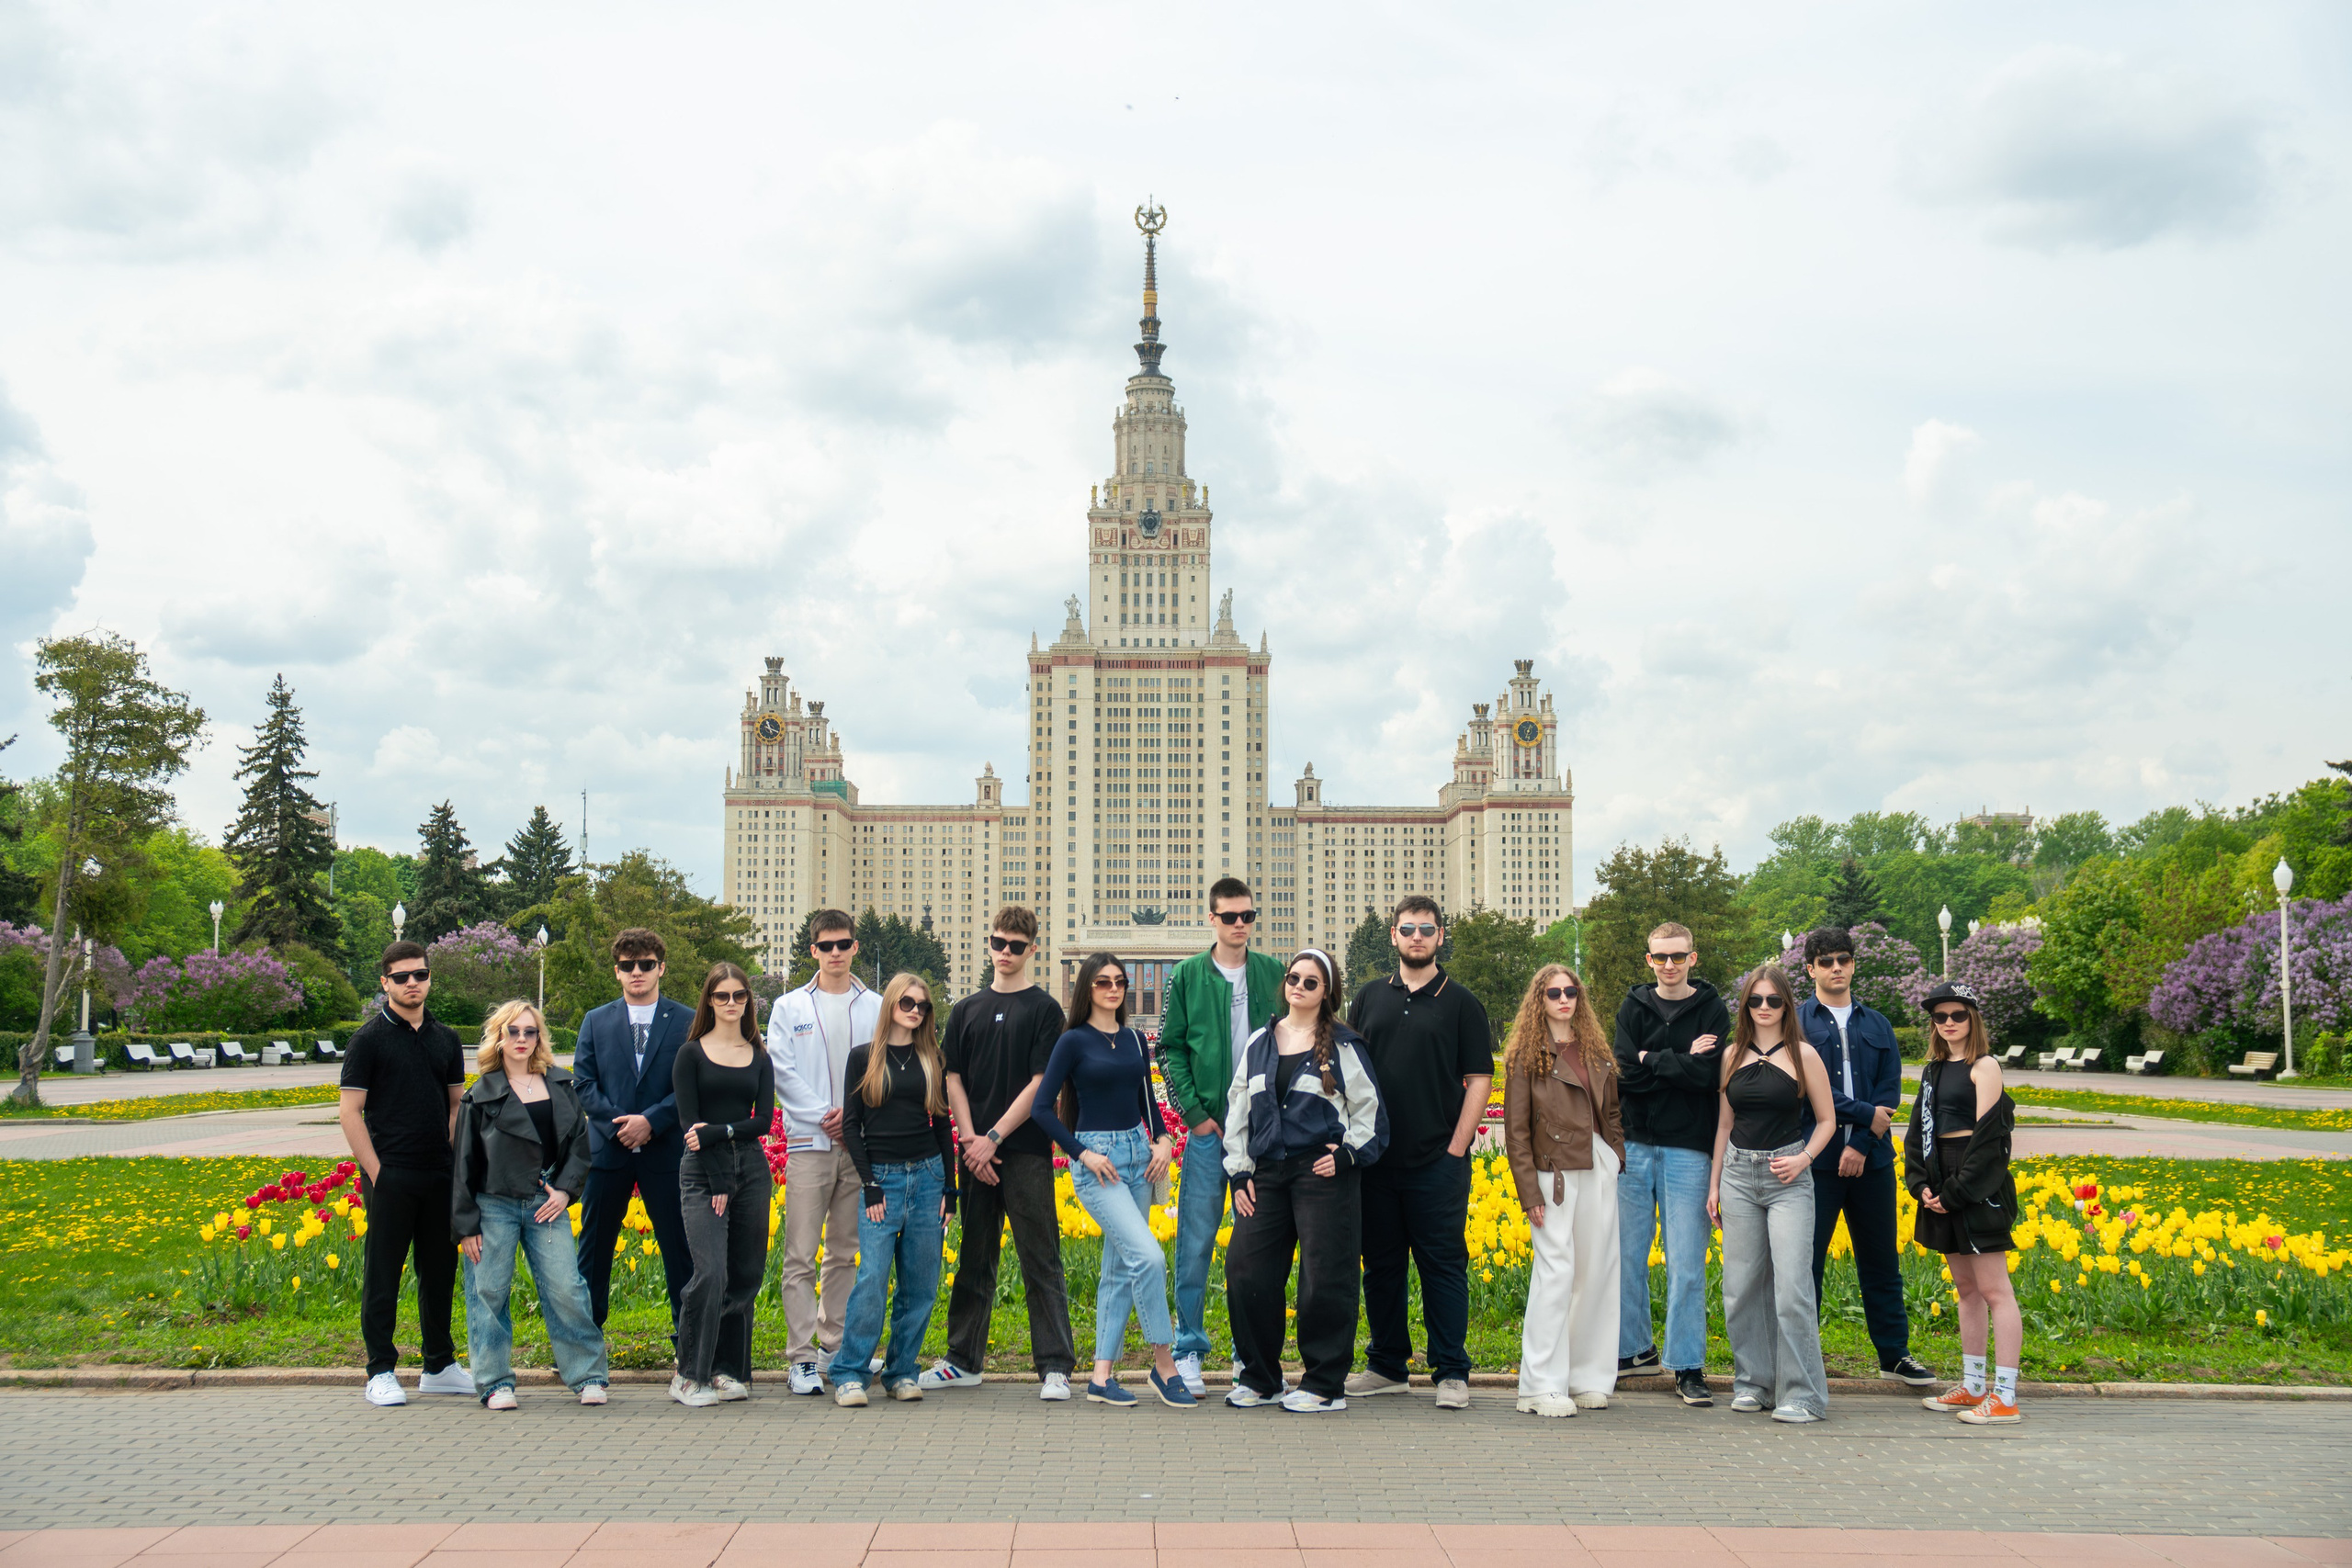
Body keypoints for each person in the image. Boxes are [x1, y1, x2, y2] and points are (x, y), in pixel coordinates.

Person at [1224, 947, 1387, 1413]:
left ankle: (1324, 1384)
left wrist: (1348, 1155)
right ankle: (1261, 1378)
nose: (1298, 986)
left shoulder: (1344, 1046)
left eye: (1310, 982)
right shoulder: (1261, 1042)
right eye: (1293, 978)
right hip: (1266, 1172)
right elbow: (1239, 1108)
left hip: (1322, 1173)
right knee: (1245, 1270)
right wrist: (1239, 1172)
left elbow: (1371, 1112)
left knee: (1324, 1278)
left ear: (1326, 992)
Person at [1344, 897, 1491, 1411]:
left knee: (1442, 1266)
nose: (1417, 937)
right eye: (1408, 929)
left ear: (1440, 936)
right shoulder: (1368, 997)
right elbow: (1349, 1071)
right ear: (1394, 935)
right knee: (1380, 1266)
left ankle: (1451, 1371)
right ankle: (1387, 1366)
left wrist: (1456, 1148)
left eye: (1427, 929)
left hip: (1437, 1162)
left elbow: (1480, 1078)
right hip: (1377, 1161)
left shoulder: (1462, 1003)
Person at [929, 905, 1080, 1400]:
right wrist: (971, 1140)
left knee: (1041, 1257)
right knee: (975, 1257)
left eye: (1016, 946)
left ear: (1032, 949)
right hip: (974, 1152)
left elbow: (1041, 1084)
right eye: (999, 943)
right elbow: (952, 1077)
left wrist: (992, 1138)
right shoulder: (966, 1009)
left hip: (1025, 1150)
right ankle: (962, 1359)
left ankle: (1055, 1365)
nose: (1006, 953)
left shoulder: (1045, 1010)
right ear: (989, 943)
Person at [1032, 953, 1194, 1408]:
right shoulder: (1073, 1041)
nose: (1113, 989)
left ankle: (1101, 1377)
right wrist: (1081, 1153)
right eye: (1103, 982)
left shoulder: (1135, 1039)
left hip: (1140, 1156)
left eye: (1119, 981)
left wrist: (1163, 1140)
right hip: (1098, 1162)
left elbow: (1147, 1102)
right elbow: (1042, 1109)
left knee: (1120, 1267)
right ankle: (1164, 1364)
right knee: (1149, 1257)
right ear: (1087, 987)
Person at [1155, 877, 1283, 1397]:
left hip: (1261, 1132)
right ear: (1211, 918)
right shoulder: (1188, 974)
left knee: (1256, 1247)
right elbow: (1170, 1048)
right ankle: (1188, 1348)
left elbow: (1293, 1037)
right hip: (1210, 1130)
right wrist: (1195, 1114)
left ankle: (1247, 1354)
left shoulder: (1274, 972)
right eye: (1229, 916)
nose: (1239, 925)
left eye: (1247, 916)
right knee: (1195, 1243)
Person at [451, 999, 609, 1409]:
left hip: (547, 1203)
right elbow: (463, 1162)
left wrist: (565, 1191)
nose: (522, 1038)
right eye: (513, 1031)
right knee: (488, 1292)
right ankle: (494, 1383)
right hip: (494, 1205)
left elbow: (580, 1145)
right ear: (499, 1037)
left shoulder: (560, 1085)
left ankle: (588, 1375)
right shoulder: (480, 1095)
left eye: (530, 1031)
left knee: (567, 1288)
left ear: (539, 1038)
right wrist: (466, 1225)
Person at [1797, 927, 1933, 1387]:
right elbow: (1805, 1089)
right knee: (1807, 1265)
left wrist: (1859, 1143)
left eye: (1843, 959)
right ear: (1810, 969)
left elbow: (1889, 1092)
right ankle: (1804, 1357)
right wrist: (1862, 1118)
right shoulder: (1797, 1024)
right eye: (1826, 961)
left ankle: (1894, 1355)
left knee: (1881, 1263)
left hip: (1871, 1161)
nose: (1836, 968)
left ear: (1853, 964)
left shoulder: (1877, 1024)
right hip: (1817, 1161)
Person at [340, 942, 471, 1406]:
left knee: (439, 1271)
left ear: (429, 977)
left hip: (438, 1174)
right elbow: (350, 1112)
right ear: (385, 983)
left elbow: (455, 1105)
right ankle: (380, 1370)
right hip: (390, 1174)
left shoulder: (446, 1038)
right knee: (383, 1274)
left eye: (420, 974)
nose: (412, 983)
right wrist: (378, 1173)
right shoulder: (368, 1040)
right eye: (401, 977)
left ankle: (439, 1365)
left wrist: (453, 1162)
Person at [1707, 964, 1837, 1424]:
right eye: (1756, 1000)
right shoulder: (1731, 1055)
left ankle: (1803, 1395)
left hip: (1788, 1179)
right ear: (1746, 1006)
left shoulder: (1804, 1055)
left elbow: (1828, 1121)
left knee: (1792, 1289)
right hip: (1738, 1176)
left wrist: (1804, 1159)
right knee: (1740, 1288)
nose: (1764, 1008)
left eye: (1773, 1000)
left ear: (1786, 1005)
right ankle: (1754, 1383)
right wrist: (1714, 1184)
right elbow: (1724, 1124)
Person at [1612, 919, 1730, 1407]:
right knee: (1627, 1258)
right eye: (1660, 957)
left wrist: (1650, 1058)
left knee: (1685, 1264)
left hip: (1688, 1150)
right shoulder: (1632, 1006)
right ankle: (1635, 1350)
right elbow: (1623, 1074)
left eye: (1678, 956)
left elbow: (1708, 1076)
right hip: (1634, 1146)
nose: (1669, 965)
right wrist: (1680, 1057)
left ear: (1692, 958)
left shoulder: (1712, 1009)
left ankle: (1687, 1365)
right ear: (1649, 960)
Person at [829, 972, 957, 1407]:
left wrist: (950, 1189)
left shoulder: (931, 1058)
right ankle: (850, 1372)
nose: (916, 1011)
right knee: (872, 1278)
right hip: (882, 1180)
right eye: (907, 1003)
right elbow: (851, 1126)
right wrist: (869, 1185)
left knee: (920, 1284)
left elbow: (942, 1124)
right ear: (891, 1005)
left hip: (928, 1177)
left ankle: (902, 1371)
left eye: (923, 1006)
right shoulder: (863, 1058)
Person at [1502, 964, 1623, 1418]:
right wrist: (1528, 1191)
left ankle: (1586, 1377)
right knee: (1555, 1275)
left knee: (1595, 1274)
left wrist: (1616, 1156)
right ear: (1540, 1000)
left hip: (1596, 1166)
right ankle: (1539, 1385)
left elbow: (1612, 1112)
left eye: (1571, 992)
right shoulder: (1526, 1057)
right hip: (1552, 1175)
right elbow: (1516, 1132)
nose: (1564, 1000)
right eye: (1553, 993)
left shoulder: (1594, 1049)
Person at [769, 910, 884, 1395]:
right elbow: (782, 1071)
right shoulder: (789, 1006)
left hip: (858, 1147)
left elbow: (884, 1067)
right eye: (826, 945)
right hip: (809, 1144)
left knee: (844, 1253)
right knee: (799, 1254)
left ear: (855, 947)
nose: (835, 953)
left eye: (843, 944)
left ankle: (832, 1347)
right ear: (813, 950)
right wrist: (824, 1115)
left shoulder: (876, 1005)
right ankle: (799, 1357)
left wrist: (852, 1119)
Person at [1905, 981, 2024, 1426]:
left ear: (1972, 1018)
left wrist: (1956, 1191)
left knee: (1996, 1291)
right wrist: (1920, 1184)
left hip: (1976, 1181)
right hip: (1940, 1176)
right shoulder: (1933, 1070)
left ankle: (2005, 1396)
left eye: (1958, 1015)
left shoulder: (1984, 1066)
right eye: (1940, 1017)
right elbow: (1918, 1130)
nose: (1949, 1023)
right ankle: (1974, 1386)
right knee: (1967, 1290)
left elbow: (1989, 1139)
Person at [572, 929, 696, 1333]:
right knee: (593, 1251)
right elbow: (584, 1083)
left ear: (662, 968)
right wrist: (620, 1125)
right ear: (617, 972)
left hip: (666, 1152)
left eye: (646, 964)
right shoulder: (596, 1020)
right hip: (609, 1152)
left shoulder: (687, 1020)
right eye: (628, 966)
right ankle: (585, 1344)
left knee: (679, 1251)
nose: (637, 972)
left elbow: (692, 1084)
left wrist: (651, 1122)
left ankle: (687, 1343)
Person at [672, 964, 777, 1407]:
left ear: (748, 1000)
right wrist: (718, 1173)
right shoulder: (691, 1054)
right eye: (722, 996)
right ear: (709, 1001)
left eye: (739, 995)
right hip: (703, 1171)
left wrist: (723, 1131)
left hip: (751, 1168)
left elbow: (763, 1122)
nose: (731, 1003)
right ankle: (688, 1375)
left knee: (745, 1274)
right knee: (711, 1272)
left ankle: (727, 1370)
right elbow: (691, 1126)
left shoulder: (760, 1055)